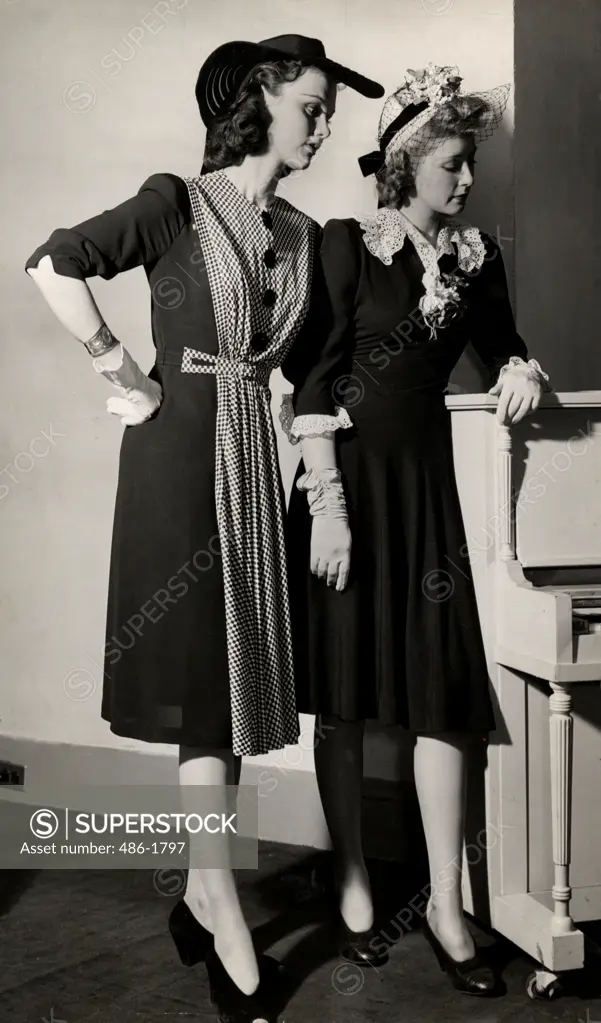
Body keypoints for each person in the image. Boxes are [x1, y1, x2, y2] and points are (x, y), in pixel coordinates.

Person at [25, 34, 383, 1023]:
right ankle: (220, 901)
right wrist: (119, 370)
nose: (322, 123)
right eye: (310, 104)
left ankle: (197, 883)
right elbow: (56, 262)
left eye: (326, 110)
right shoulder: (175, 201)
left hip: (251, 462)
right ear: (258, 97)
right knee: (195, 676)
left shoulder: (306, 235)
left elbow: (311, 370)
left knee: (232, 682)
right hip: (178, 453)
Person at [282, 63, 550, 997]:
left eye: (470, 162)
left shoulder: (478, 258)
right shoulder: (348, 243)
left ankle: (442, 902)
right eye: (452, 163)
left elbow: (504, 344)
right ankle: (352, 879)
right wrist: (328, 512)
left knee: (442, 698)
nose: (467, 179)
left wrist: (520, 369)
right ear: (404, 164)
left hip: (424, 492)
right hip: (343, 489)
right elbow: (310, 380)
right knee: (346, 694)